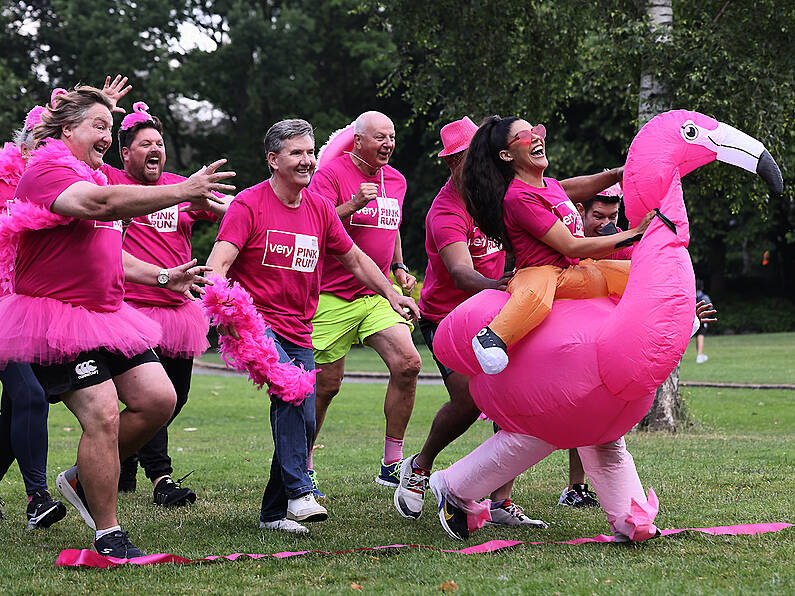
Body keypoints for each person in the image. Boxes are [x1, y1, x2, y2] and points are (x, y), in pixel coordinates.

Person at [0, 81, 235, 557]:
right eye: (99, 126)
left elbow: (109, 254)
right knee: (103, 413)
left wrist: (164, 275)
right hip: (57, 319)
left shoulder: (98, 176)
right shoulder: (46, 171)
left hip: (107, 314)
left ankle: (78, 479)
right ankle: (108, 534)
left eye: (110, 126)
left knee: (158, 399)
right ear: (67, 129)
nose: (107, 135)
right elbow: (97, 206)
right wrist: (183, 190)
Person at [206, 119, 419, 534]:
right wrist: (228, 315)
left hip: (299, 326)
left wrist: (391, 293)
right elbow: (218, 265)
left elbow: (355, 259)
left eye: (310, 152)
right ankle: (300, 492)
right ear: (273, 159)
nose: (307, 161)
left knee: (304, 418)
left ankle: (272, 514)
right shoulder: (248, 205)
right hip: (255, 323)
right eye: (296, 153)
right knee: (290, 390)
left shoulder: (319, 208)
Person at [393, 116, 544, 528]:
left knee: (511, 401)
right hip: (446, 318)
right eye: (465, 155)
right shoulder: (445, 210)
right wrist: (500, 284)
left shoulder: (497, 192)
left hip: (497, 311)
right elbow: (460, 272)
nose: (477, 161)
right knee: (470, 399)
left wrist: (611, 177)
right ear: (452, 163)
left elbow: (555, 193)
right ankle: (420, 467)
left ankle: (500, 500)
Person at [101, 101, 232, 507]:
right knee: (154, 396)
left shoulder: (181, 185)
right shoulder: (110, 180)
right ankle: (162, 479)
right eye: (144, 144)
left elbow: (229, 214)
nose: (154, 149)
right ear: (125, 153)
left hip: (179, 309)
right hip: (133, 307)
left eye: (159, 143)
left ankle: (122, 454)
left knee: (177, 395)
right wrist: (102, 109)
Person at [464, 116, 653, 375]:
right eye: (525, 136)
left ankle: (674, 316)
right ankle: (492, 337)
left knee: (635, 274)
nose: (537, 137)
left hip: (571, 273)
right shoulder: (518, 197)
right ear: (507, 155)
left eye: (537, 131)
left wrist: (619, 174)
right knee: (536, 294)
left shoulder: (549, 185)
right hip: (539, 272)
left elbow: (581, 186)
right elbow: (572, 246)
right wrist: (635, 233)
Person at [308, 111, 421, 489]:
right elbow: (312, 224)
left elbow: (393, 224)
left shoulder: (398, 180)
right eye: (379, 138)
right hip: (330, 293)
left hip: (376, 292)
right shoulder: (331, 175)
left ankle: (392, 464)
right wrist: (352, 204)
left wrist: (400, 265)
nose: (388, 144)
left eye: (391, 137)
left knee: (408, 363)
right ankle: (303, 464)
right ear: (357, 141)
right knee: (326, 385)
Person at [0, 100, 67, 529]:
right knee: (28, 397)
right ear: (24, 146)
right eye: (38, 142)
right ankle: (37, 496)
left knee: (18, 406)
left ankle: (36, 496)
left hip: (22, 309)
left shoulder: (56, 187)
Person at [695, 279, 713, 363]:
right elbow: (710, 308)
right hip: (702, 318)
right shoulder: (704, 297)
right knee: (701, 335)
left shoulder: (692, 295)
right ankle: (699, 355)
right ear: (702, 287)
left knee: (697, 336)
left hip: (693, 319)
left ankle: (699, 354)